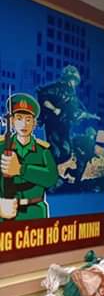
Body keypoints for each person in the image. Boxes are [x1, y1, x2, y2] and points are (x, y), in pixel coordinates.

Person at [1, 93, 59, 221]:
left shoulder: (42, 150)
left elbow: (51, 178)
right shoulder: (2, 147)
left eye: (28, 120)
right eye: (19, 119)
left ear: (34, 123)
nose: (24, 125)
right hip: (5, 213)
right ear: (12, 121)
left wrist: (21, 169)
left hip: (35, 212)